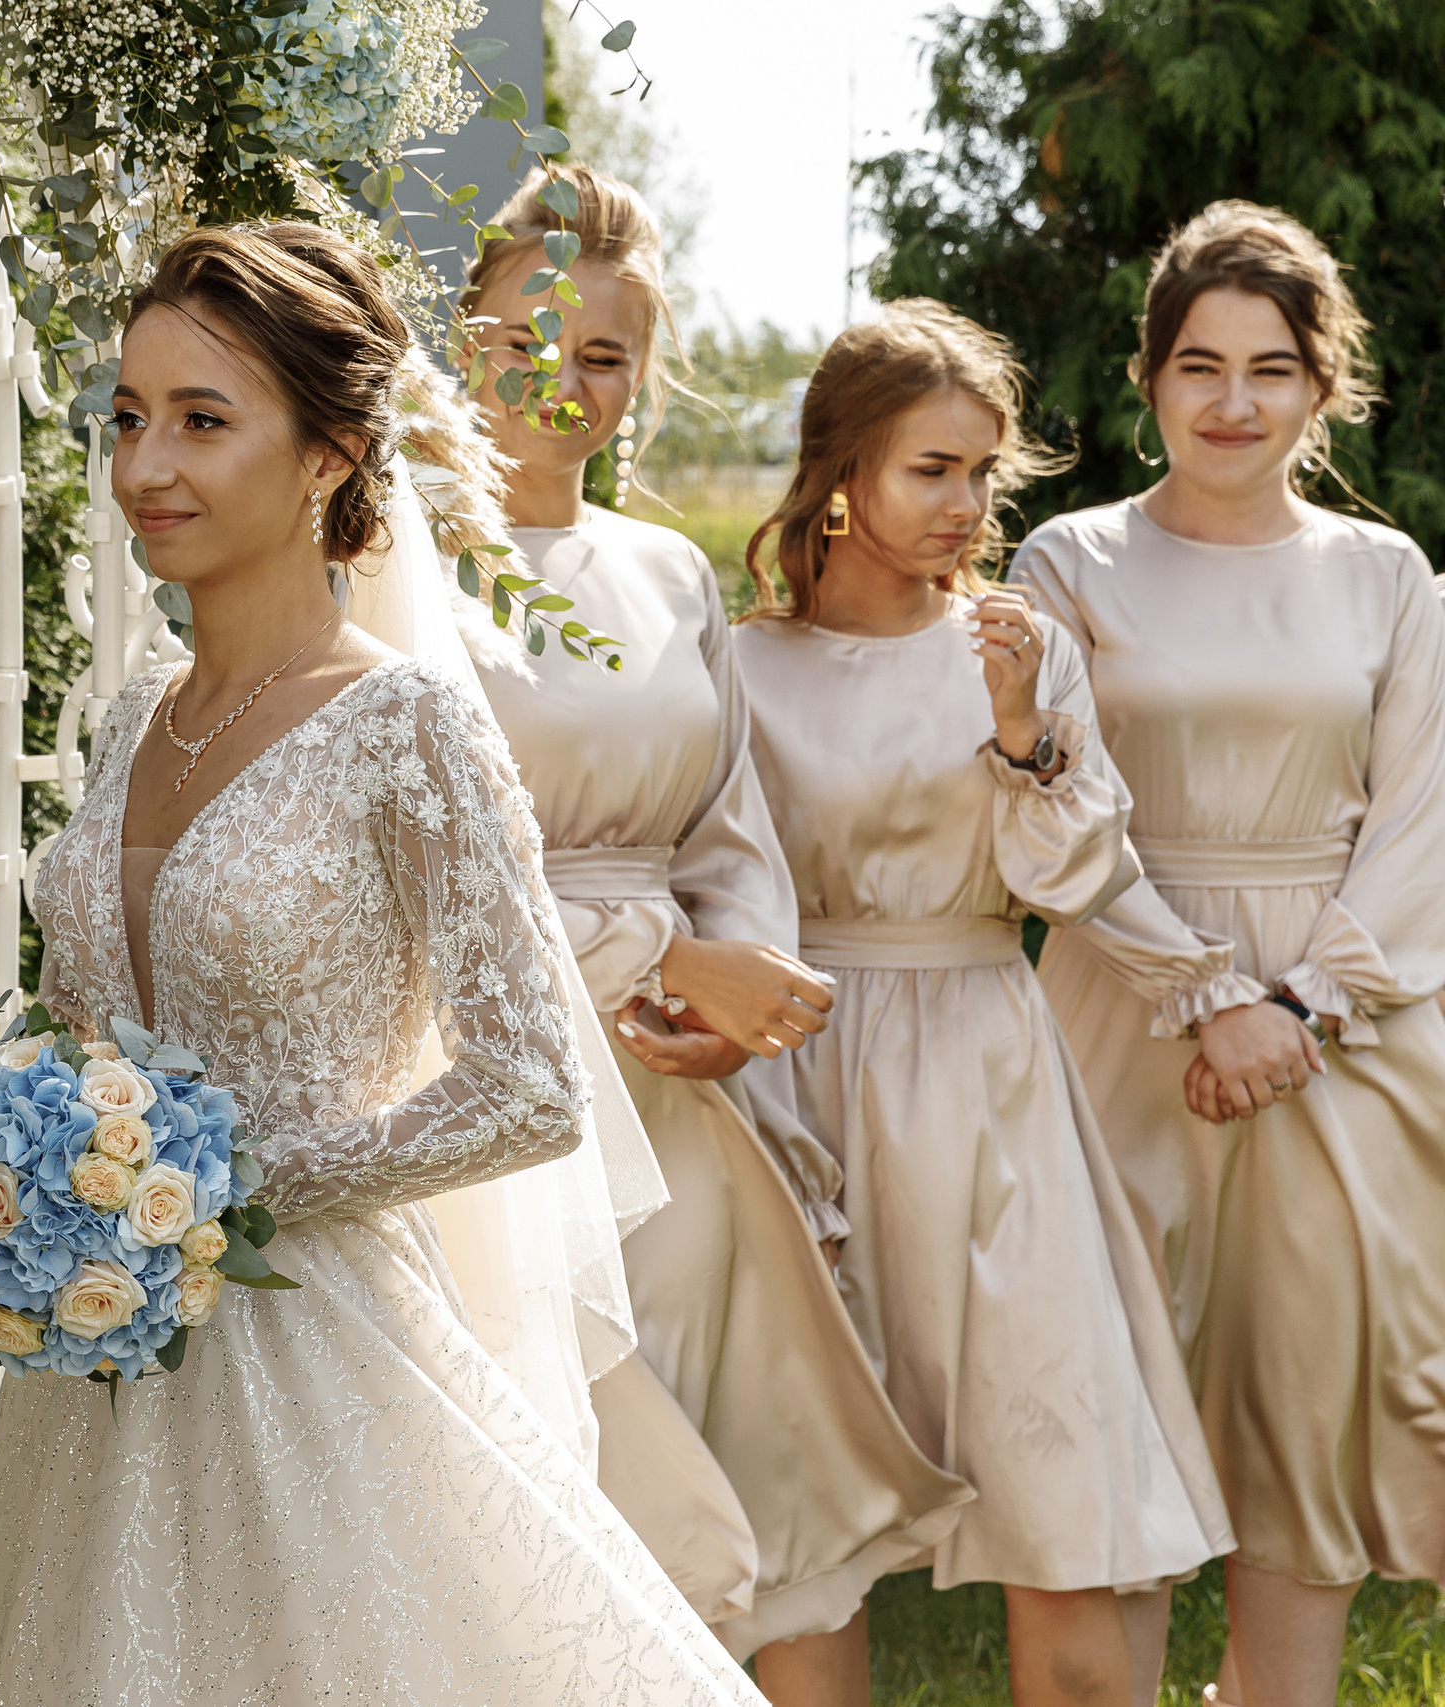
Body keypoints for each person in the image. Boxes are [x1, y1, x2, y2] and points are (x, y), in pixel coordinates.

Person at [0, 221, 763, 1706]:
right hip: (98, 1387)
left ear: (329, 455)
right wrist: (44, 1152)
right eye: (128, 418)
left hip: (324, 1364)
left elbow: (531, 1089)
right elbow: (93, 1026)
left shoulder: (406, 729)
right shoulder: (133, 719)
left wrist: (222, 1188)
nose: (145, 468)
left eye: (203, 421)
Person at [449, 162, 971, 1696]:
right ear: (461, 336)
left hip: (685, 1110)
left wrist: (730, 997)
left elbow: (731, 834)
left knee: (768, 1510)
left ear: (642, 377)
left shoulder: (667, 572)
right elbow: (422, 869)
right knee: (582, 1500)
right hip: (509, 1106)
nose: (564, 375)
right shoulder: (393, 566)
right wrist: (650, 966)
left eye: (605, 351)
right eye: (526, 332)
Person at [733, 300, 1233, 1707]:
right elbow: (727, 886)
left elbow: (1073, 870)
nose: (964, 505)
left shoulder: (1020, 647)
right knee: (810, 1527)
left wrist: (1020, 730)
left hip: (989, 1075)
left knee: (1060, 1506)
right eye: (928, 470)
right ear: (842, 475)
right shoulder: (745, 666)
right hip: (803, 1072)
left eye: (979, 471)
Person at [1010, 201, 1445, 1707]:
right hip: (1124, 1010)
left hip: (1340, 1029)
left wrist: (1302, 1004)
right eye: (1200, 364)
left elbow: (1422, 818)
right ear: (1150, 380)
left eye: (1271, 369)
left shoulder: (1387, 577)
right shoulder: (1071, 561)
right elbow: (1050, 806)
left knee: (1300, 1410)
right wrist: (1201, 996)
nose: (1233, 403)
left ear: (1325, 389)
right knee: (1111, 1400)